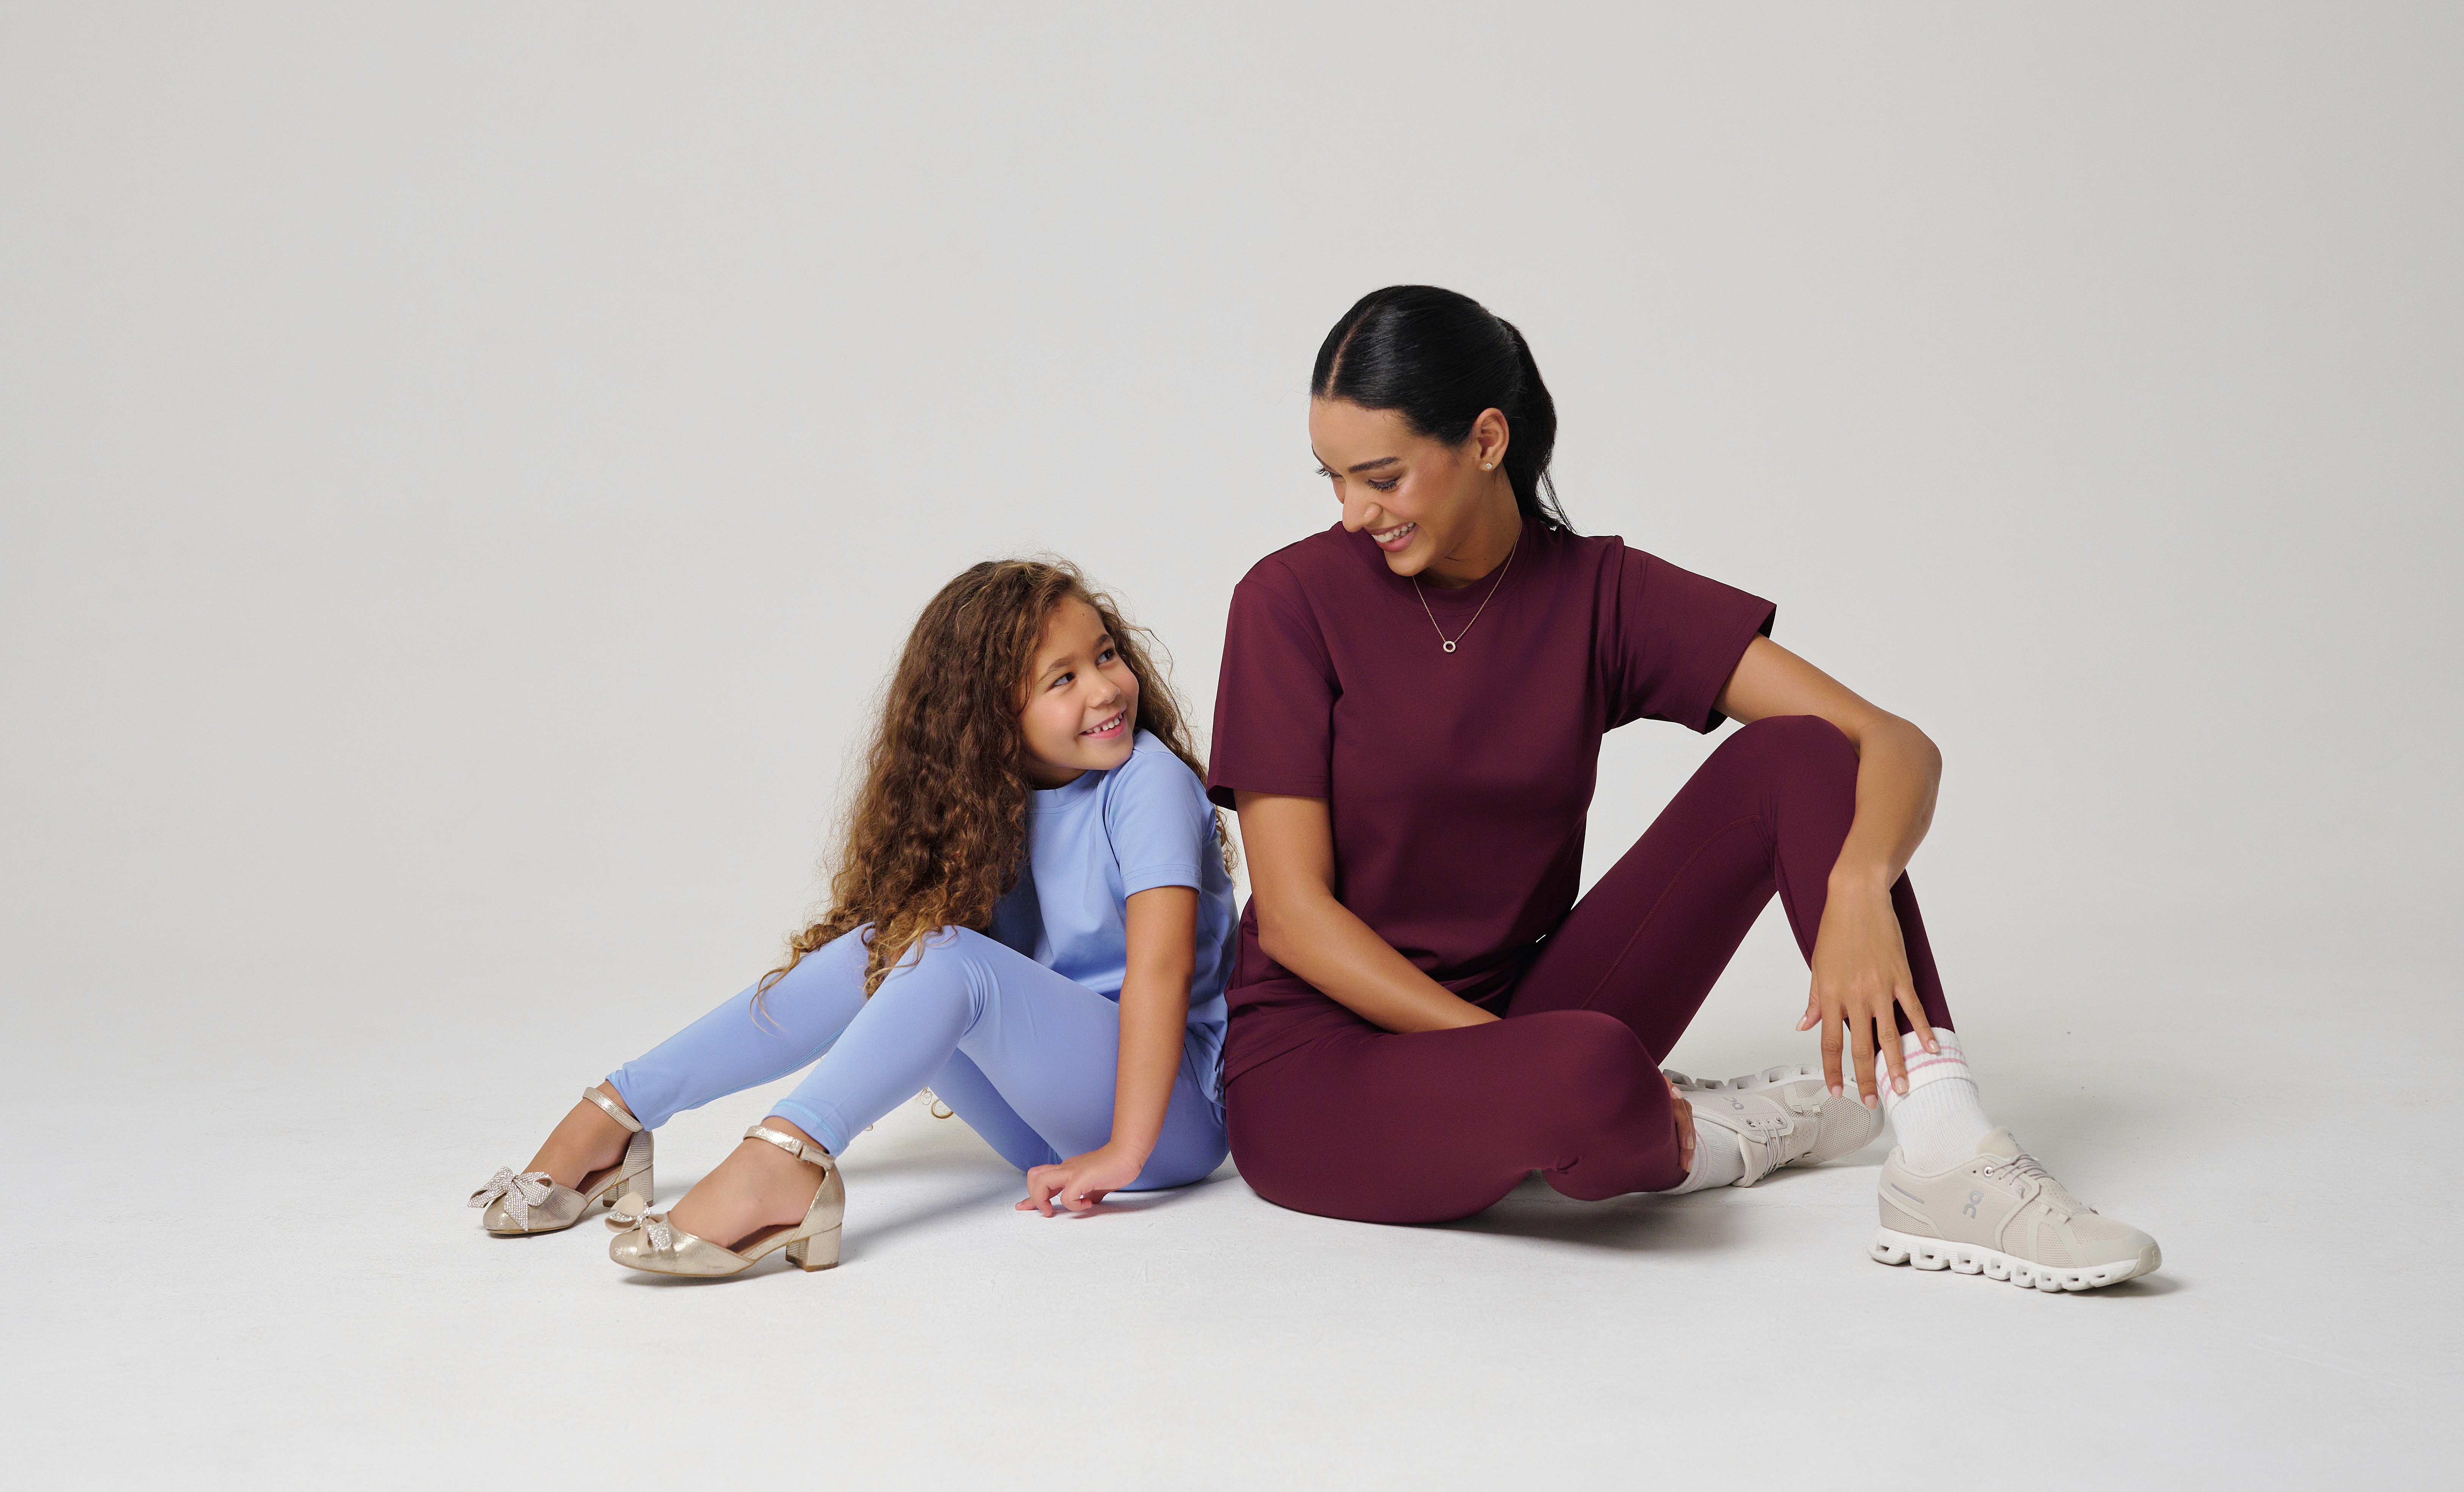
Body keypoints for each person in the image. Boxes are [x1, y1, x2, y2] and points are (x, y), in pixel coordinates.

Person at [1208, 285, 2161, 1292]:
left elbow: (1890, 742)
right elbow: (1301, 919)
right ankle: (1703, 1131)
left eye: (1381, 476)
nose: (1352, 512)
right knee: (1585, 1075)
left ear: (1485, 439)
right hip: (1317, 1069)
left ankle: (1947, 1152)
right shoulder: (1288, 602)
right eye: (1334, 477)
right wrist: (1510, 1061)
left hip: (1526, 1011)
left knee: (1798, 754)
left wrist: (1854, 887)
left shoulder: (1598, 594)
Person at [467, 559, 1238, 1279]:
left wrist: (1124, 1152)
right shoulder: (992, 803)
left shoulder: (1148, 784)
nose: (1105, 689)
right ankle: (619, 1113)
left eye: (1106, 656)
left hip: (1166, 1119)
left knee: (947, 958)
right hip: (1045, 1128)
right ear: (988, 719)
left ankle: (786, 1163)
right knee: (883, 947)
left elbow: (1162, 973)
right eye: (1061, 679)